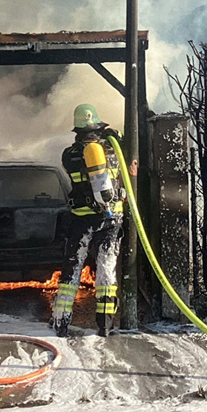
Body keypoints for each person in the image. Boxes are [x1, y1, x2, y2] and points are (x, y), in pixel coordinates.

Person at [52, 103, 126, 337]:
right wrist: (114, 138)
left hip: (81, 219)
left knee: (73, 267)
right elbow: (123, 157)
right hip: (111, 219)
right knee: (106, 268)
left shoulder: (68, 154)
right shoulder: (112, 151)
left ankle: (60, 321)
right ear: (98, 127)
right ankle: (105, 324)